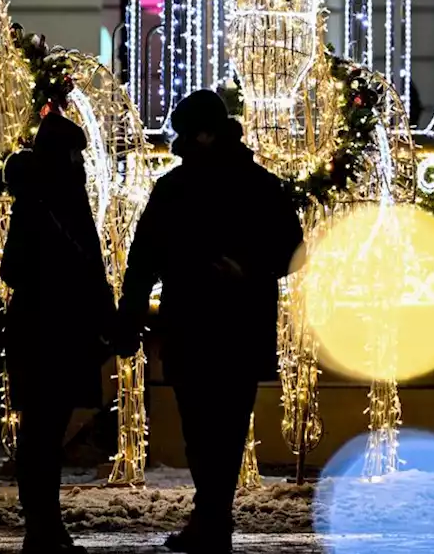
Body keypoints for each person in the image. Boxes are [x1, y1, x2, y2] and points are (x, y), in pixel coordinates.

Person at [114, 90, 304, 554]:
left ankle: (211, 517)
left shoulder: (178, 189)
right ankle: (213, 516)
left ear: (201, 134)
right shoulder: (258, 185)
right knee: (224, 425)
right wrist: (253, 270)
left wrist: (129, 319)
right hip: (235, 325)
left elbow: (143, 262)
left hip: (196, 325)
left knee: (203, 425)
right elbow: (293, 249)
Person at [0, 106, 115, 552]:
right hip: (47, 333)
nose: (82, 165)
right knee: (42, 435)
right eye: (75, 155)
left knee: (46, 433)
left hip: (53, 331)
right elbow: (18, 268)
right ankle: (43, 529)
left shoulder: (55, 200)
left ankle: (45, 527)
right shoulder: (45, 203)